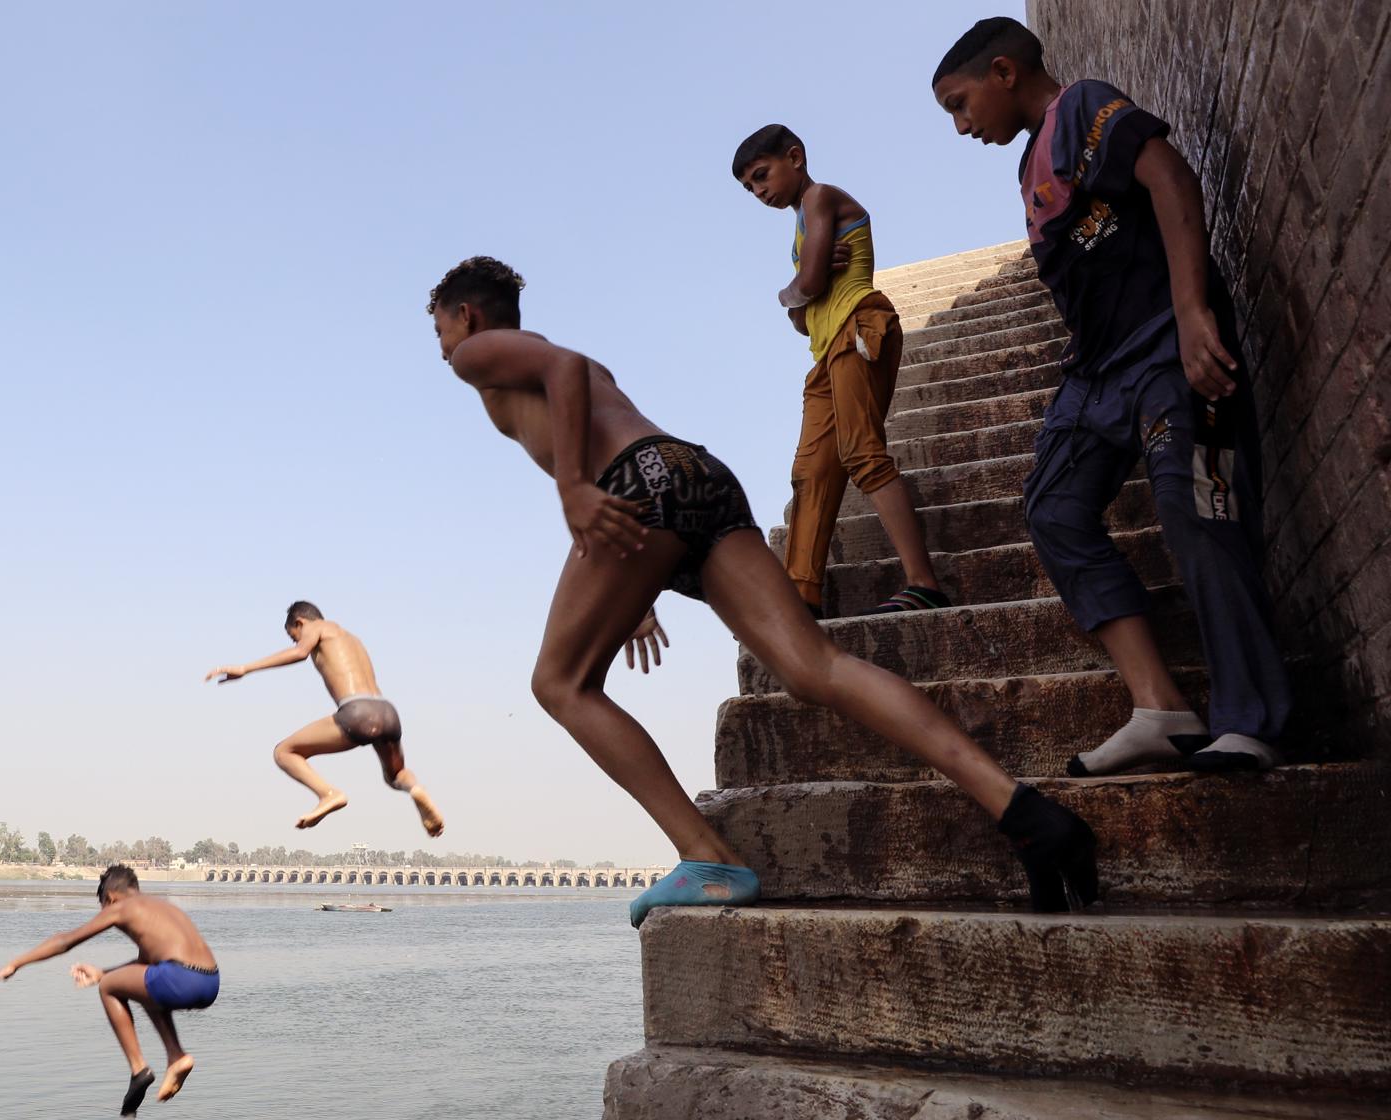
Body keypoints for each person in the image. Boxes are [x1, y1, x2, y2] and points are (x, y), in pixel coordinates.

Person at [426, 254, 1099, 923]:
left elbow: (564, 375)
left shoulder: (478, 355)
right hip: (693, 476)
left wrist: (574, 487)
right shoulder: (539, 363)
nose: (443, 348)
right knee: (817, 667)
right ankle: (1024, 811)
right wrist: (633, 591)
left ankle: (706, 855)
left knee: (559, 683)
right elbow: (585, 396)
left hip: (639, 483)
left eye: (440, 331)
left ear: (469, 314)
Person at [931, 17, 1291, 774]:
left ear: (1004, 71)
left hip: (1165, 341)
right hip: (1094, 376)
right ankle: (1160, 705)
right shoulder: (1028, 165)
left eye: (960, 105)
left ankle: (1248, 718)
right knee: (1053, 510)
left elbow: (1169, 177)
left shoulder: (1083, 107)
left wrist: (1194, 312)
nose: (961, 127)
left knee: (1197, 505)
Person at [732, 123, 947, 617]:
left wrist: (792, 288)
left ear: (795, 157)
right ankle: (800, 596)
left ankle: (924, 582)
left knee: (862, 454)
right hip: (826, 350)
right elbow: (802, 321)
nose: (759, 191)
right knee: (810, 471)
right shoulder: (801, 227)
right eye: (749, 187)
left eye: (762, 175)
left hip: (858, 327)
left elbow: (804, 289)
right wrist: (800, 291)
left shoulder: (820, 197)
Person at [0, 865, 218, 1117]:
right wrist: (103, 972)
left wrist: (15, 964)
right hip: (209, 982)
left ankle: (139, 1070)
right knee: (140, 985)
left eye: (104, 906)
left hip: (179, 978)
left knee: (108, 989)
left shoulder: (120, 906)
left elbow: (65, 941)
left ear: (110, 898)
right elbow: (145, 968)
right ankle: (176, 1056)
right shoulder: (162, 908)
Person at [206, 602, 444, 835]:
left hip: (357, 711)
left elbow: (300, 653)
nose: (298, 640)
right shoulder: (351, 638)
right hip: (387, 712)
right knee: (395, 776)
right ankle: (416, 789)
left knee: (284, 752)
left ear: (299, 622)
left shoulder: (316, 627)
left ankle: (328, 794)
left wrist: (246, 668)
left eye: (294, 635)